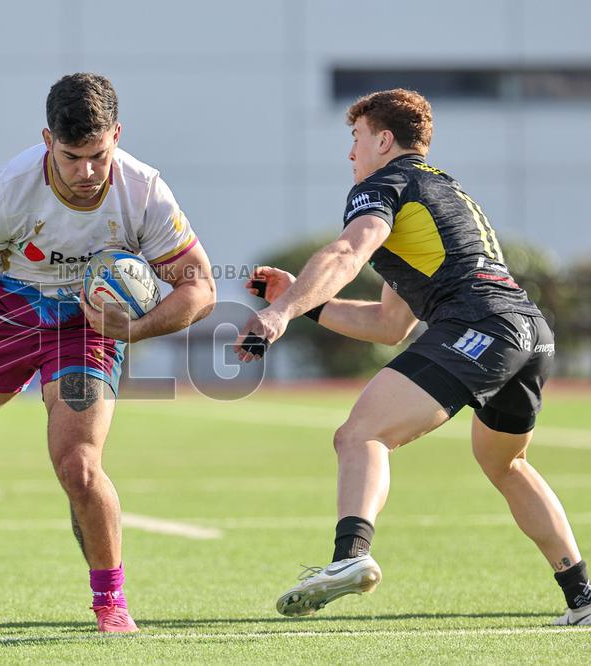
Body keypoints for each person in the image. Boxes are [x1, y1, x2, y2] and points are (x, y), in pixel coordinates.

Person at [235, 89, 591, 625]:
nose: (350, 154)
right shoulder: (439, 192)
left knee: (360, 435)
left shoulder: (385, 185)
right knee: (507, 464)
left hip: (480, 325)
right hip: (529, 334)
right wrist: (306, 305)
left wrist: (280, 312)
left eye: (356, 139)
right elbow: (388, 324)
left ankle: (349, 559)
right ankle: (583, 596)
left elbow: (347, 252)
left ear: (383, 140)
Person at [0, 73, 216, 633]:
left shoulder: (144, 190)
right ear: (46, 141)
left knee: (79, 465)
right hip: (5, 311)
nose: (87, 173)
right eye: (71, 157)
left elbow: (200, 288)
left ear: (117, 134)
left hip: (86, 329)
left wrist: (131, 330)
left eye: (98, 155)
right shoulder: (9, 188)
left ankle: (110, 603)